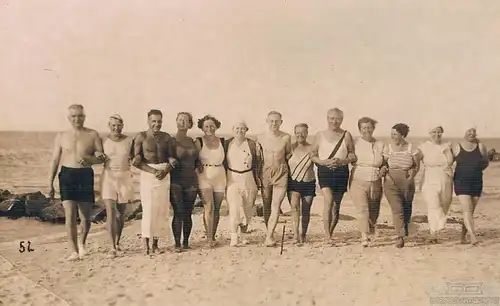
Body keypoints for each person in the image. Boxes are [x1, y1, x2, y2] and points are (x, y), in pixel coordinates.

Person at [48, 104, 106, 261]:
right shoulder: (61, 136)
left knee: (86, 217)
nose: (77, 119)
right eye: (73, 116)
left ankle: (82, 243)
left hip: (85, 174)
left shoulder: (93, 134)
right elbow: (55, 160)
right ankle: (73, 250)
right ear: (69, 118)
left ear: (84, 117)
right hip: (67, 175)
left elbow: (101, 157)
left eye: (80, 116)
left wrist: (90, 159)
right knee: (70, 216)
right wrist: (50, 182)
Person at [132, 109, 177, 255]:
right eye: (154, 121)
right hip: (148, 174)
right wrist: (153, 171)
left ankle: (156, 244)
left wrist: (167, 169)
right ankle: (145, 243)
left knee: (161, 210)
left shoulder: (166, 137)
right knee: (148, 209)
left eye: (159, 121)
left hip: (164, 174)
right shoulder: (141, 136)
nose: (156, 124)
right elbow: (135, 161)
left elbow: (172, 158)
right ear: (148, 121)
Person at [311, 108, 356, 245]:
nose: (334, 121)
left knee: (336, 206)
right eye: (331, 118)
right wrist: (324, 162)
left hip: (341, 171)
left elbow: (352, 156)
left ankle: (330, 232)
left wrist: (341, 161)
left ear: (341, 120)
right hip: (325, 171)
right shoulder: (319, 135)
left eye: (337, 118)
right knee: (328, 200)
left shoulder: (346, 135)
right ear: (327, 118)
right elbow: (312, 155)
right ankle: (327, 236)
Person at [381, 123, 421, 248]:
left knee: (406, 207)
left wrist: (412, 175)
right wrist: (383, 171)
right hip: (390, 180)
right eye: (391, 134)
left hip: (407, 180)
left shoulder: (411, 148)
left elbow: (416, 165)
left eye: (395, 134)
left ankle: (405, 228)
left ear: (403, 135)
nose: (392, 137)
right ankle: (400, 236)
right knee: (397, 208)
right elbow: (384, 164)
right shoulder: (388, 148)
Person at [224, 121, 263, 247]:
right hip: (232, 178)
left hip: (248, 177)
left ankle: (244, 236)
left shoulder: (252, 144)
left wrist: (258, 179)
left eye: (242, 129)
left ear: (246, 130)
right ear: (233, 129)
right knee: (234, 208)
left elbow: (259, 162)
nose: (240, 131)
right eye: (237, 128)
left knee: (247, 208)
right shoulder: (226, 144)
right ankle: (234, 237)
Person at [100, 114, 134, 258]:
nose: (116, 128)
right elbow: (95, 155)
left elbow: (135, 157)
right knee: (111, 213)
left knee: (121, 214)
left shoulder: (129, 141)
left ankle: (117, 242)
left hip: (125, 177)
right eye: (113, 125)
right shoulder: (103, 141)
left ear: (122, 126)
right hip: (108, 176)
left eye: (119, 125)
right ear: (109, 126)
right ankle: (112, 246)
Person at [257, 111, 292, 247]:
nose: (274, 124)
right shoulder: (260, 137)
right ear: (267, 121)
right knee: (266, 205)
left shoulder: (286, 137)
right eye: (271, 121)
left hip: (280, 173)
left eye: (277, 121)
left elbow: (288, 154)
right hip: (265, 173)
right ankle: (269, 232)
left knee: (276, 205)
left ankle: (269, 236)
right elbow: (257, 158)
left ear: (281, 122)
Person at [349, 117, 385, 247]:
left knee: (374, 210)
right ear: (359, 129)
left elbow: (385, 161)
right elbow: (347, 157)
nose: (366, 130)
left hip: (375, 179)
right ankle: (364, 236)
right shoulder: (354, 143)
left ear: (373, 128)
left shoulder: (380, 144)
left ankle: (371, 224)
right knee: (362, 209)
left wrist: (384, 168)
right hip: (358, 178)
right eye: (363, 128)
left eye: (369, 127)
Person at [451, 125, 489, 245]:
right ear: (463, 132)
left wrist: (476, 169)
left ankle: (463, 237)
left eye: (474, 131)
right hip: (461, 181)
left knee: (469, 212)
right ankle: (473, 238)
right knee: (467, 210)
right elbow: (447, 162)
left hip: (476, 181)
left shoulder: (481, 146)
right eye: (469, 131)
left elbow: (486, 162)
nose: (472, 133)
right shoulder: (456, 146)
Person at [195, 115, 227, 247]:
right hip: (204, 176)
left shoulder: (223, 141)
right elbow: (195, 159)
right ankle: (208, 239)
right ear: (202, 127)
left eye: (212, 126)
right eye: (206, 126)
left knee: (217, 208)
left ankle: (213, 236)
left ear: (216, 126)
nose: (209, 128)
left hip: (220, 174)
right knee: (209, 207)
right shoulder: (199, 141)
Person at [418, 125, 453, 244]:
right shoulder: (423, 146)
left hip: (444, 176)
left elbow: (451, 161)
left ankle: (435, 232)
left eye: (439, 132)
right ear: (429, 133)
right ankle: (435, 230)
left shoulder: (447, 145)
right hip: (429, 176)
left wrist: (447, 153)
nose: (436, 134)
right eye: (433, 132)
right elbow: (415, 161)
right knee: (433, 204)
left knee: (444, 204)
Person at [170, 112, 199, 252]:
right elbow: (164, 157)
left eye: (185, 120)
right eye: (180, 120)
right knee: (178, 212)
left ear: (189, 124)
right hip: (175, 180)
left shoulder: (192, 141)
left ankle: (186, 242)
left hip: (191, 180)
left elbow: (197, 160)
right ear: (176, 121)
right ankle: (176, 244)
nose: (182, 122)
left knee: (188, 213)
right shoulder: (170, 140)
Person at [287, 123, 316, 245]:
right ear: (294, 133)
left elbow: (320, 161)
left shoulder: (313, 148)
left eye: (303, 132)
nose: (300, 135)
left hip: (309, 182)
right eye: (297, 132)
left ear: (307, 133)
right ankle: (295, 235)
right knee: (294, 208)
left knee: (306, 210)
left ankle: (303, 234)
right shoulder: (290, 148)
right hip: (293, 182)